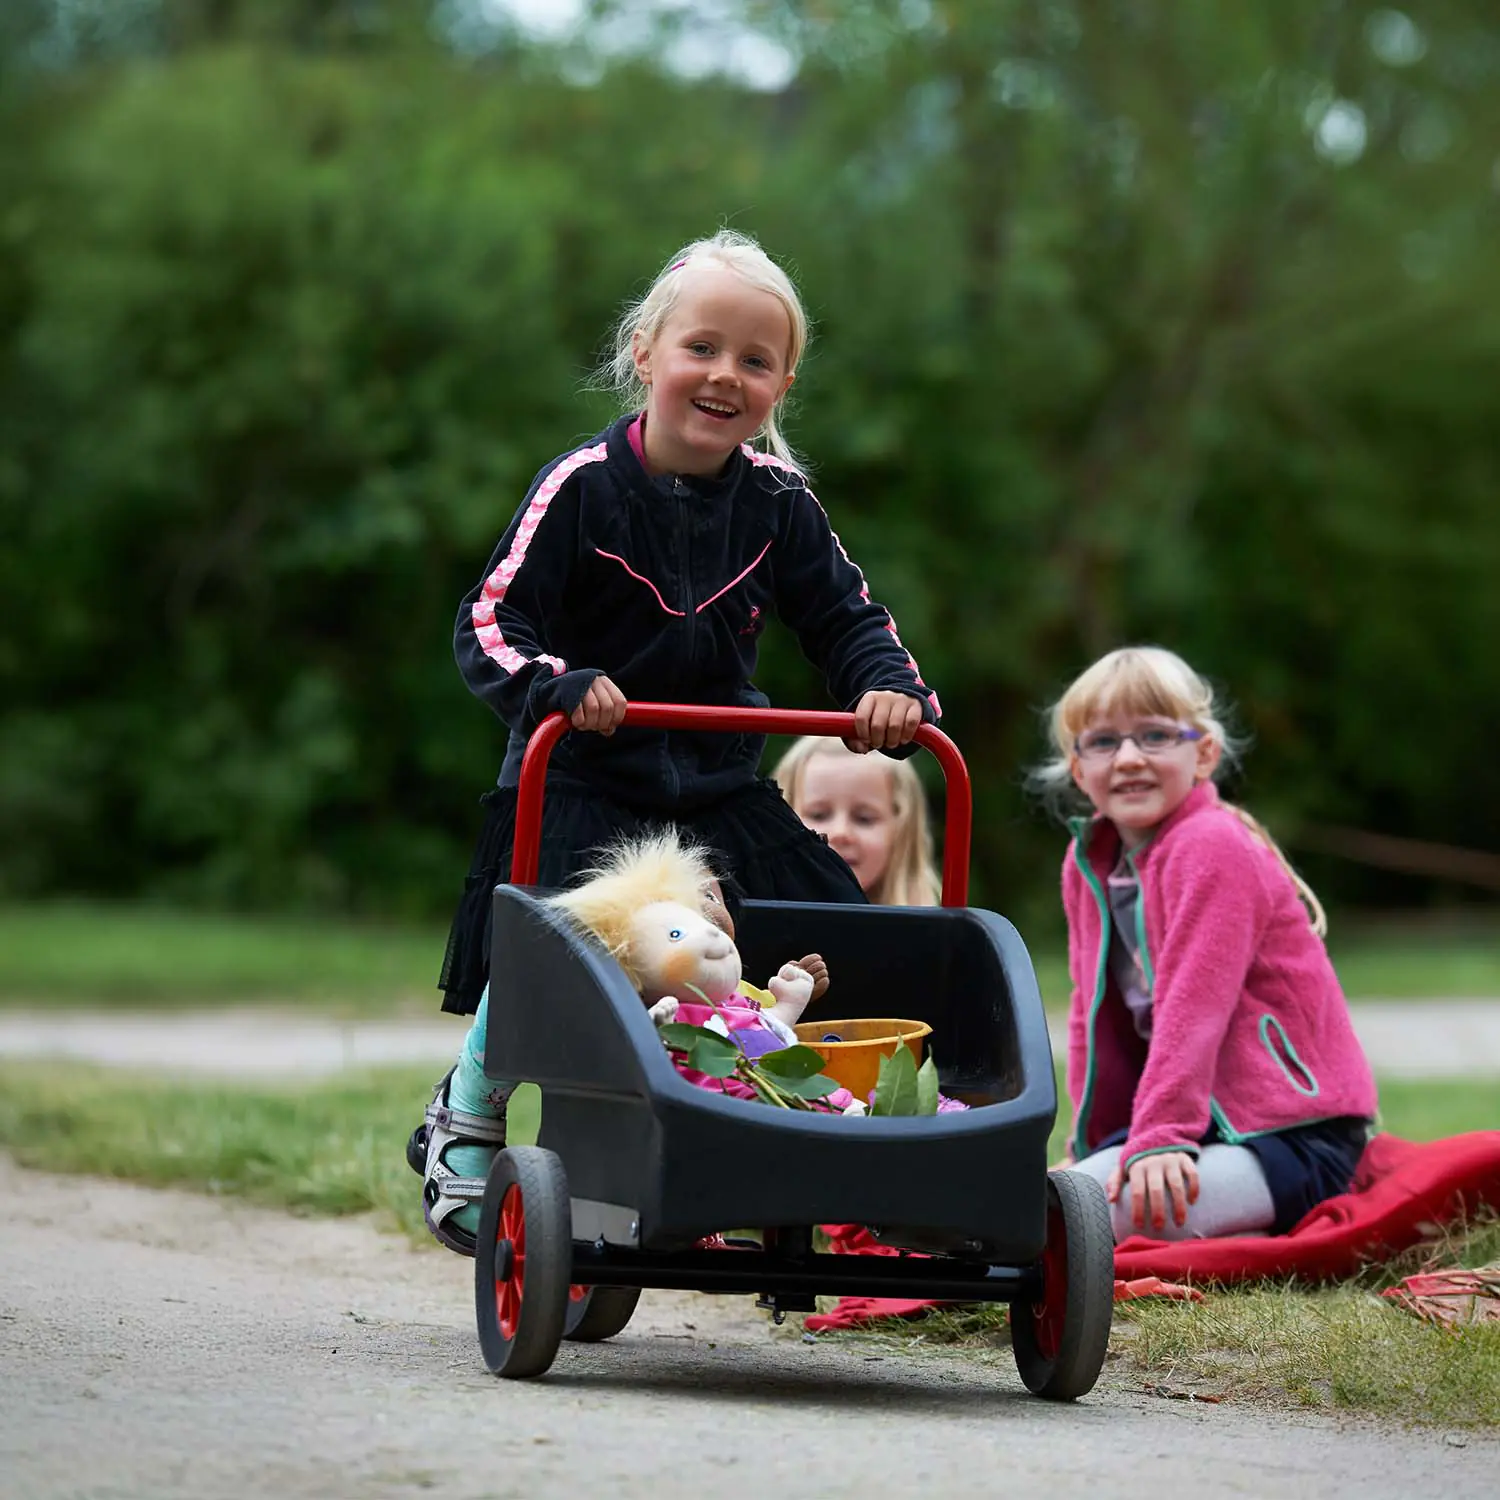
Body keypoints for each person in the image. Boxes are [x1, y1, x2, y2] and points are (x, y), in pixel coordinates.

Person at [413, 228, 940, 1254]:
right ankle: (467, 1111)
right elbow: (489, 621)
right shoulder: (582, 488)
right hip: (585, 771)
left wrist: (888, 691)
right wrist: (559, 686)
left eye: (755, 360)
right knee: (564, 942)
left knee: (836, 926)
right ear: (646, 352)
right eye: (703, 348)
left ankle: (810, 1125)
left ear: (782, 383)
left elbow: (849, 619)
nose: (724, 376)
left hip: (708, 775)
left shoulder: (782, 505)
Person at [1035, 645, 1377, 1243]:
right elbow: (1092, 1017)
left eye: (1156, 736)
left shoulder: (1211, 844)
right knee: (1044, 1203)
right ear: (1077, 767)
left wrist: (1160, 1138)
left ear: (1205, 754)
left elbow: (1194, 1009)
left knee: (1067, 1225)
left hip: (1292, 1135)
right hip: (1197, 1126)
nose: (1130, 758)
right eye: (1105, 742)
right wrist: (1094, 1144)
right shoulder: (1089, 860)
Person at [772, 736, 941, 906]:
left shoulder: (928, 930)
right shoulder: (756, 923)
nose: (840, 832)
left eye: (864, 819)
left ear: (901, 829)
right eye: (819, 815)